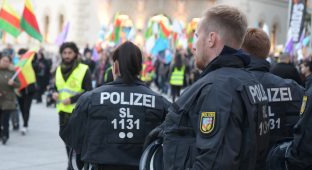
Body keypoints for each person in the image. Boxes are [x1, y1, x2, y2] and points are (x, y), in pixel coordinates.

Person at [150, 5, 269, 169]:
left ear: (211, 39)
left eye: (196, 35)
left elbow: (215, 163)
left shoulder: (218, 88)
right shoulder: (250, 81)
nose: (193, 46)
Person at [60, 41, 170, 170]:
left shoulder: (90, 99)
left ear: (115, 67)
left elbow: (70, 136)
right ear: (140, 69)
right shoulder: (160, 102)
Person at [242, 28, 304, 169]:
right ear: (268, 50)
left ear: (241, 50)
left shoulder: (236, 86)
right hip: (283, 161)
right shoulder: (293, 88)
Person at [52, 42, 92, 161]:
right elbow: (56, 87)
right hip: (62, 112)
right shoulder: (58, 69)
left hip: (78, 111)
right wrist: (54, 93)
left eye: (70, 52)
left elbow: (89, 91)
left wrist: (72, 99)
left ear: (75, 54)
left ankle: (74, 165)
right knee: (66, 140)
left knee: (77, 142)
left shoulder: (84, 69)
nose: (67, 55)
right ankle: (71, 163)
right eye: (64, 53)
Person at [0, 55, 20, 145]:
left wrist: (13, 83)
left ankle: (5, 135)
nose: (5, 62)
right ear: (0, 61)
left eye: (7, 61)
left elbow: (18, 84)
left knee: (5, 120)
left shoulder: (12, 72)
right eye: (3, 60)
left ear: (9, 63)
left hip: (8, 99)